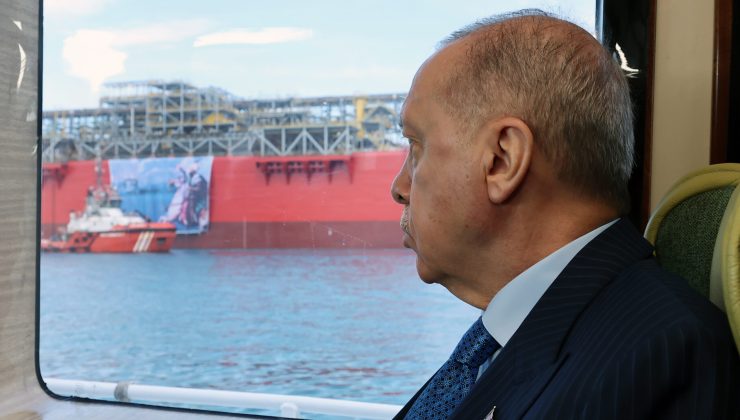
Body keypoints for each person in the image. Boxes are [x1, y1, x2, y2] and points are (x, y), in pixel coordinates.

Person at [390, 10, 740, 420]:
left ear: (503, 159)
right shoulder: (530, 332)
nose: (399, 187)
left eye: (417, 146)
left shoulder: (660, 362)